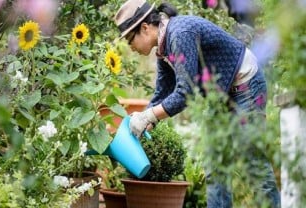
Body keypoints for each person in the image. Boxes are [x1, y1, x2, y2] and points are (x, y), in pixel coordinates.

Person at [113, 0, 280, 207]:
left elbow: (185, 93)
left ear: (145, 28)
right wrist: (142, 118)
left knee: (252, 162)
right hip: (220, 94)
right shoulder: (163, 47)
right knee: (215, 166)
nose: (131, 48)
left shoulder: (180, 33)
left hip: (246, 86)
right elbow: (163, 91)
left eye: (130, 41)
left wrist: (150, 116)